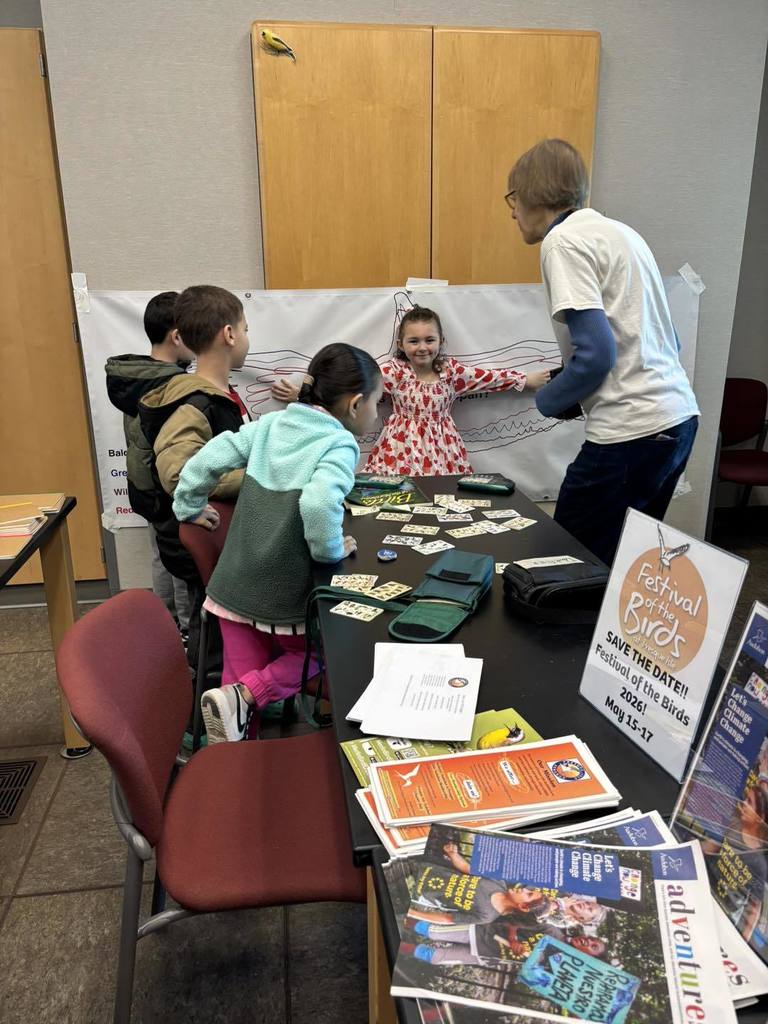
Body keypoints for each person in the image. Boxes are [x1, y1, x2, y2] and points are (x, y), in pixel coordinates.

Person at [172, 343, 383, 743]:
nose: (377, 411)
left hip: (233, 588)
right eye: (378, 401)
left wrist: (188, 505)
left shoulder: (271, 425)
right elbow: (320, 506)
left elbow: (206, 459)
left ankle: (236, 767)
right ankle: (255, 693)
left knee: (232, 696)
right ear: (356, 404)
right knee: (328, 658)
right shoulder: (338, 443)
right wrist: (332, 549)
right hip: (283, 596)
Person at [507, 139, 699, 565]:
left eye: (513, 197)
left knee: (567, 565)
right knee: (631, 565)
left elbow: (596, 355)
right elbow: (662, 339)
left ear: (533, 194)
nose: (511, 211)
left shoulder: (562, 242)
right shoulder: (622, 233)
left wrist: (549, 399)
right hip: (677, 419)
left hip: (630, 431)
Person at [271, 306, 550, 476]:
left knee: (444, 497)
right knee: (395, 497)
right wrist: (303, 394)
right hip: (400, 445)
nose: (422, 347)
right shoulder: (394, 372)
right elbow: (352, 386)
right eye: (413, 340)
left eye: (430, 340)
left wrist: (525, 380)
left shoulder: (450, 372)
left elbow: (488, 378)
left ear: (441, 341)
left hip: (444, 447)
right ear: (401, 344)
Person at [139, 285, 250, 667]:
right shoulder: (194, 400)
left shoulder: (221, 393)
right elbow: (180, 472)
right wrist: (252, 478)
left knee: (229, 626)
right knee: (214, 632)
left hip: (229, 541)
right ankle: (204, 706)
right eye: (245, 328)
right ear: (229, 334)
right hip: (206, 541)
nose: (246, 337)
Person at [105, 291, 194, 637]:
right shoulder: (170, 385)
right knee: (183, 564)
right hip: (168, 490)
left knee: (161, 557)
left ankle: (166, 629)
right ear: (177, 336)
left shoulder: (136, 376)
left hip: (144, 488)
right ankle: (187, 639)